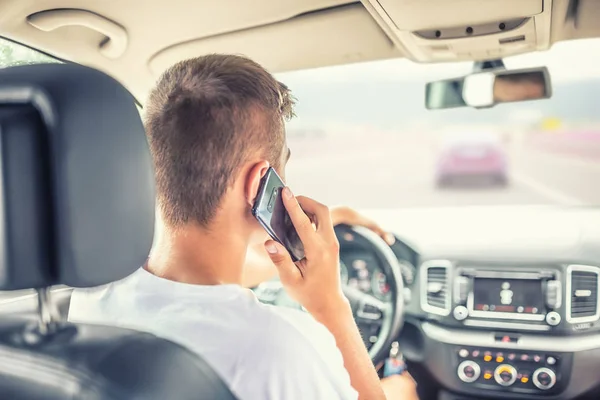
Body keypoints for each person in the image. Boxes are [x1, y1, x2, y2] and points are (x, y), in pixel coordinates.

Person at [68, 54, 418, 400]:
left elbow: (200, 292)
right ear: (259, 184)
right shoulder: (280, 351)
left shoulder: (93, 299)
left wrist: (336, 218)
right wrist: (331, 307)